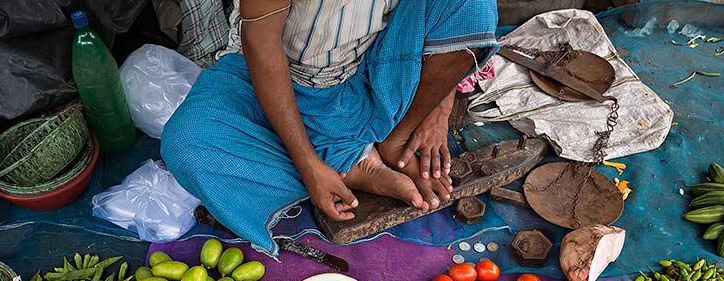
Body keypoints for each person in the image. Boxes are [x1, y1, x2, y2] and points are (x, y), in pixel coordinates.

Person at [162, 0, 499, 252]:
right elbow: (260, 45)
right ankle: (349, 164)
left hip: (378, 66)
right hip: (277, 78)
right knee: (188, 145)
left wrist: (437, 110)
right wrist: (307, 163)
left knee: (474, 7)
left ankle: (392, 142)